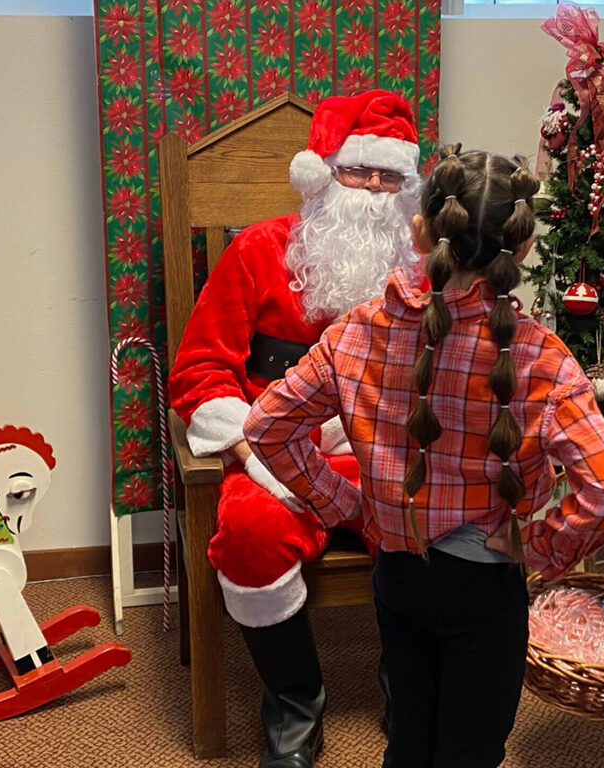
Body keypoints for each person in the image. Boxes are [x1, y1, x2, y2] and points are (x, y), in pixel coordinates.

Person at [243, 145, 604, 768]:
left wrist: (348, 504)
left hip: (399, 577)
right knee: (469, 750)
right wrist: (542, 549)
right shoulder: (543, 358)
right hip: (487, 586)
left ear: (419, 230)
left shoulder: (356, 331)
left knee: (408, 738)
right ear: (523, 248)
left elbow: (267, 428)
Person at [168, 90, 423, 768]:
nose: (372, 188)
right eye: (358, 170)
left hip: (382, 459)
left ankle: (410, 686)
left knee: (441, 524)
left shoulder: (422, 269)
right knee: (250, 534)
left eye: (388, 175)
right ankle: (294, 700)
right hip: (275, 458)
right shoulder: (256, 252)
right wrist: (252, 450)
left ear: (408, 186)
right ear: (323, 173)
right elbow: (197, 372)